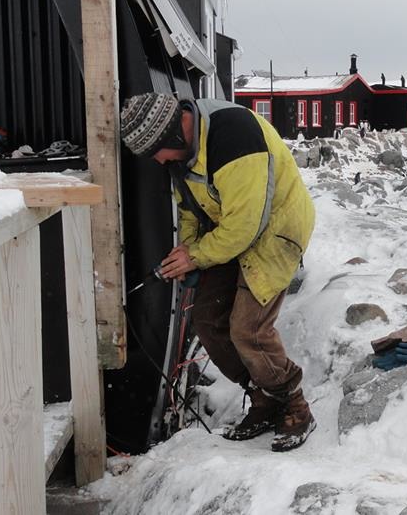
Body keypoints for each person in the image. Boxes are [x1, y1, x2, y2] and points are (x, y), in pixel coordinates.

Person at [119, 92, 316, 452]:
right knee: (209, 320)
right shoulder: (182, 156)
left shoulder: (234, 137)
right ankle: (263, 396)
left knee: (248, 328)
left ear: (174, 132)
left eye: (155, 152)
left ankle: (295, 405)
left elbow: (246, 225)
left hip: (274, 228)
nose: (157, 161)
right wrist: (187, 250)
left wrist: (196, 257)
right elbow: (192, 210)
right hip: (229, 228)